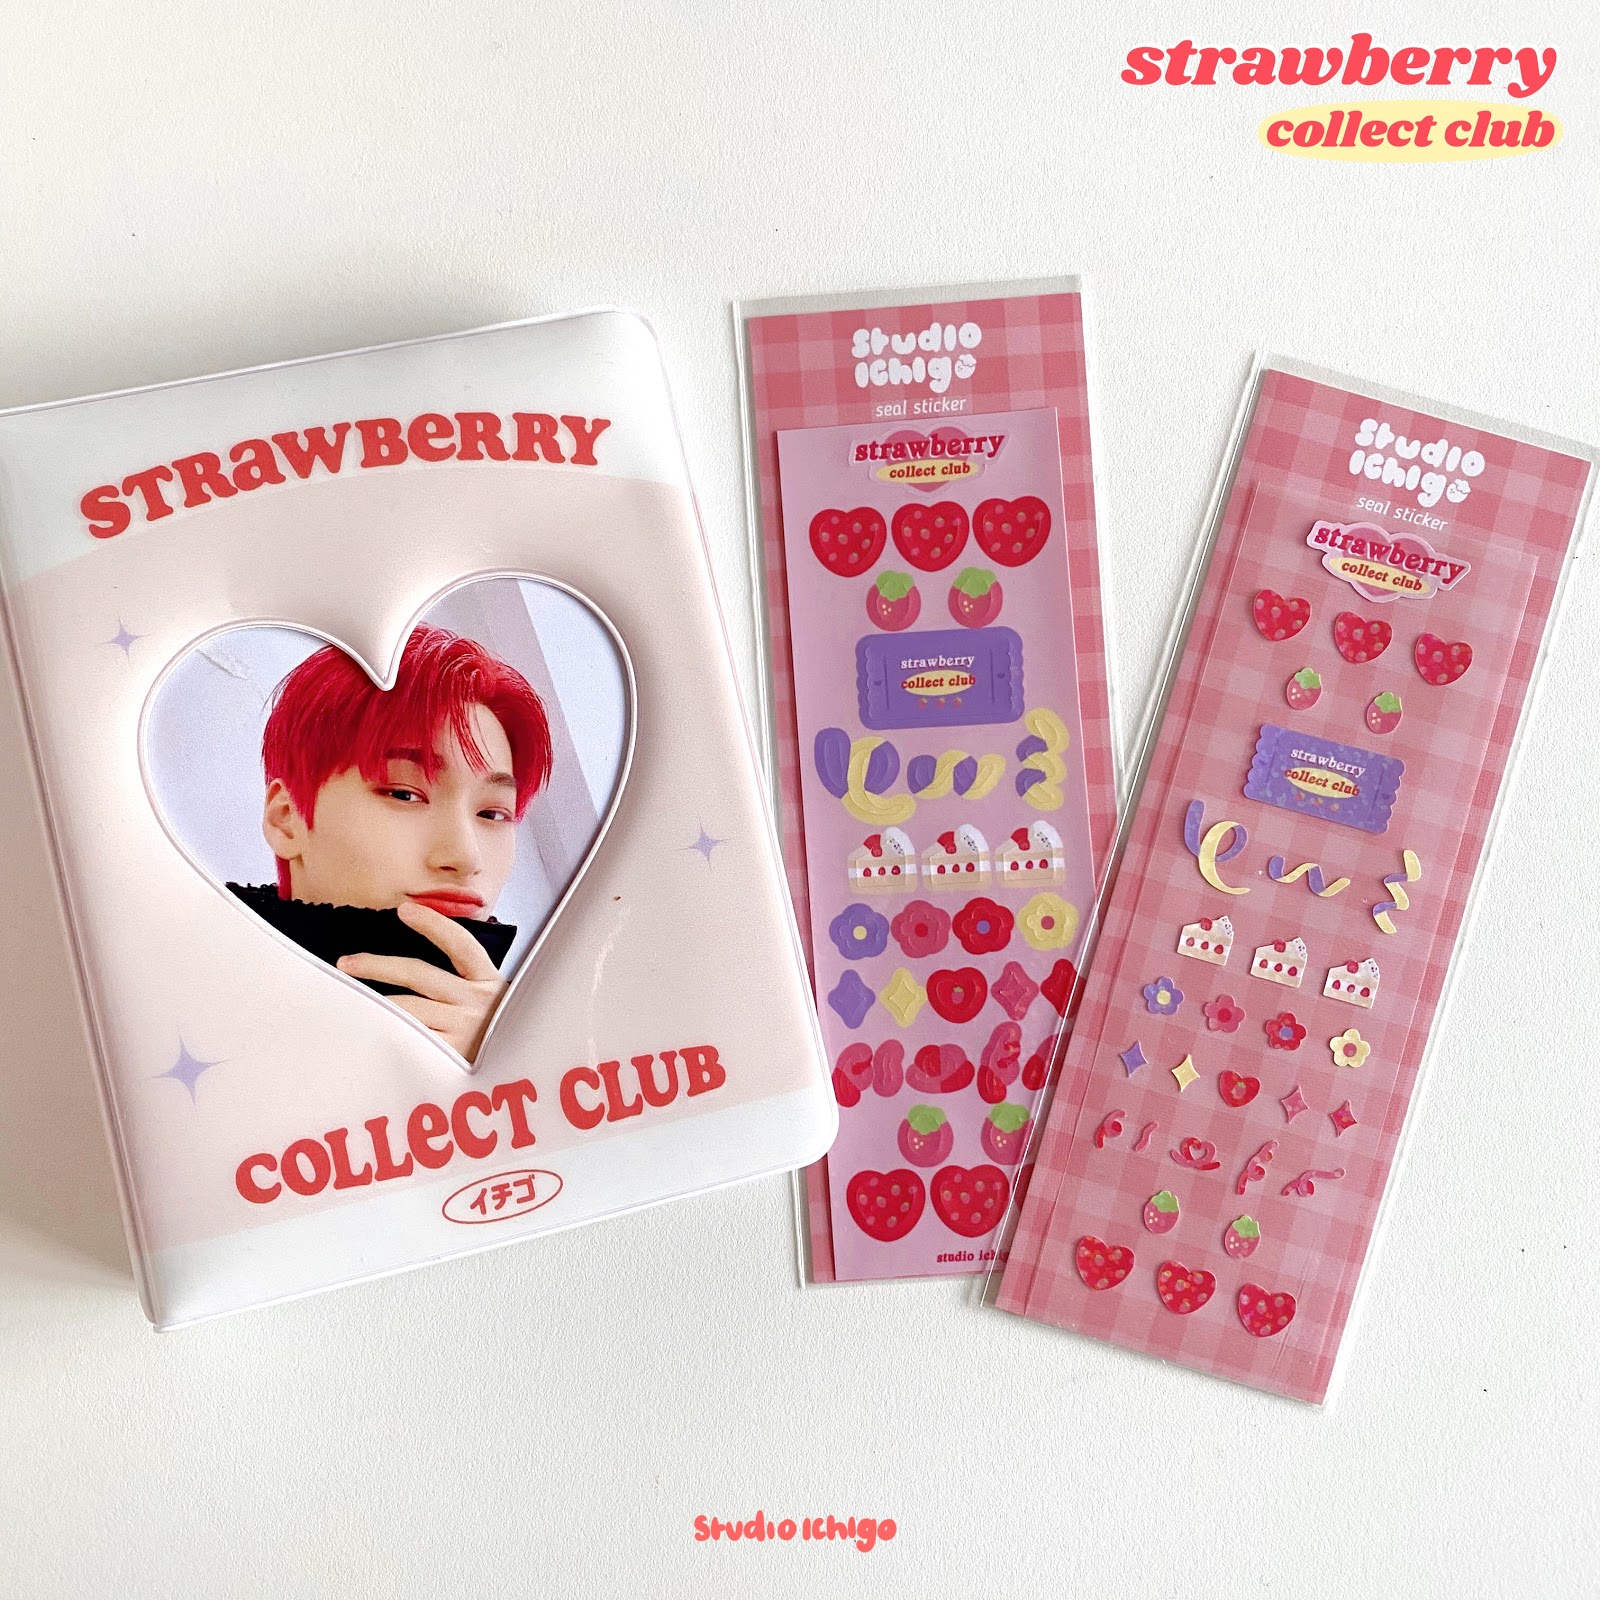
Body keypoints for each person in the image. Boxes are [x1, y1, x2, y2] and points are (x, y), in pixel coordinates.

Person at [228, 624, 553, 1063]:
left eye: (493, 814)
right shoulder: (175, 988)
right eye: (404, 794)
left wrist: (523, 1066)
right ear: (287, 819)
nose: (464, 857)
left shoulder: (559, 1043)